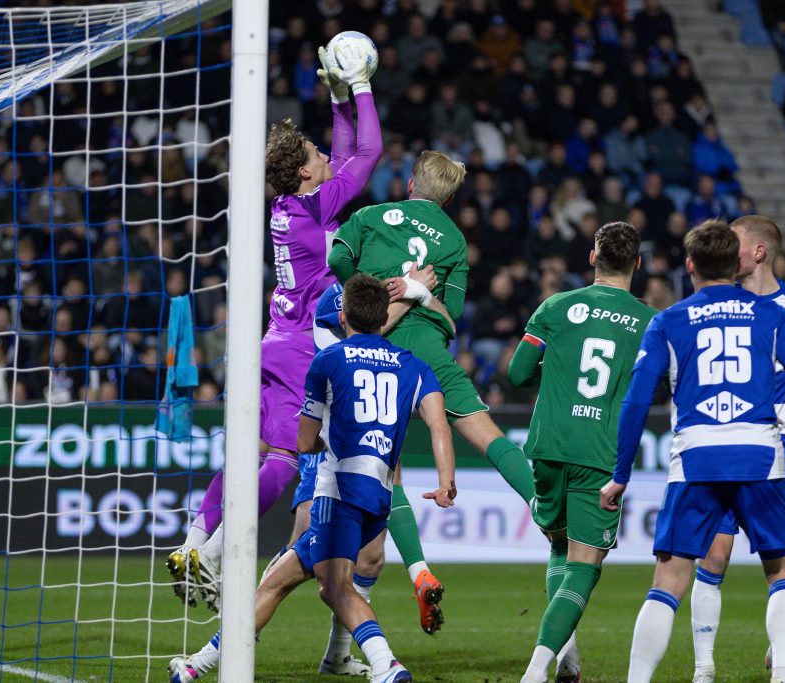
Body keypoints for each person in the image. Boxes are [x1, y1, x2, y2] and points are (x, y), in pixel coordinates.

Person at [166, 39, 384, 609]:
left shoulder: (291, 206)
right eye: (315, 153)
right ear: (306, 174)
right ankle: (213, 554)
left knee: (249, 454)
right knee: (283, 461)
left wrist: (335, 97)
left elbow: (341, 153)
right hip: (299, 351)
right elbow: (369, 151)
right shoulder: (316, 208)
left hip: (271, 341)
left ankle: (193, 542)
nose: (324, 155)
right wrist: (359, 85)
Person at [168, 274, 457, 683]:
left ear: (343, 314)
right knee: (278, 582)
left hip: (337, 495)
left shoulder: (328, 360)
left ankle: (386, 666)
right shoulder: (414, 366)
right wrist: (446, 481)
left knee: (334, 589)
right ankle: (197, 667)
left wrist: (329, 441)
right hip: (379, 498)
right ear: (384, 317)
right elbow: (438, 425)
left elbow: (304, 442)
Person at [601, 220, 785, 683]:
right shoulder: (773, 317)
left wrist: (621, 474)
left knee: (668, 581)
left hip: (695, 458)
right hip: (759, 453)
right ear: (736, 263)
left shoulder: (668, 321)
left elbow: (634, 402)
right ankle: (784, 673)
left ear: (689, 265)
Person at [328, 151, 538, 557]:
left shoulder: (372, 215)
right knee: (487, 435)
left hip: (375, 348)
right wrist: (418, 292)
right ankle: (542, 507)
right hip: (429, 352)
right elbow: (455, 312)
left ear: (410, 184)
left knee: (391, 469)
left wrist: (368, 296)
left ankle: (418, 569)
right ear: (450, 199)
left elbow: (336, 257)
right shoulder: (456, 240)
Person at [509, 221, 656, 683]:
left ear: (593, 258)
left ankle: (567, 654)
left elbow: (516, 374)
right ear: (637, 263)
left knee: (558, 543)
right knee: (586, 562)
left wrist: (553, 374)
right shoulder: (651, 323)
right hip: (601, 451)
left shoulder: (555, 306)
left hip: (549, 444)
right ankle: (536, 669)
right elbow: (659, 386)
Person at [690, 216, 785, 683]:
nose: (727, 249)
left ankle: (780, 651)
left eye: (737, 243)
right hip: (725, 445)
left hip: (783, 450)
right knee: (713, 557)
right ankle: (704, 668)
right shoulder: (716, 302)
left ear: (760, 252)